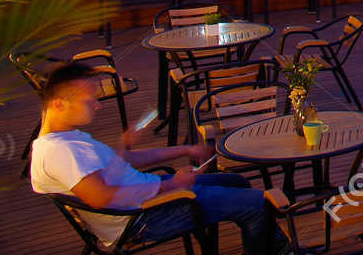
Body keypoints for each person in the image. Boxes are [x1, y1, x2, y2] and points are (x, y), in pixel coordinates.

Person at [29, 61, 279, 254]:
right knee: (257, 203)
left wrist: (186, 150)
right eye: (89, 100)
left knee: (236, 182)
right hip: (144, 218)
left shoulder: (65, 139)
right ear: (59, 104)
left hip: (149, 196)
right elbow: (100, 197)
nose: (97, 105)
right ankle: (271, 245)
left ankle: (271, 243)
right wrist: (173, 185)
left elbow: (122, 161)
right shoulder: (61, 151)